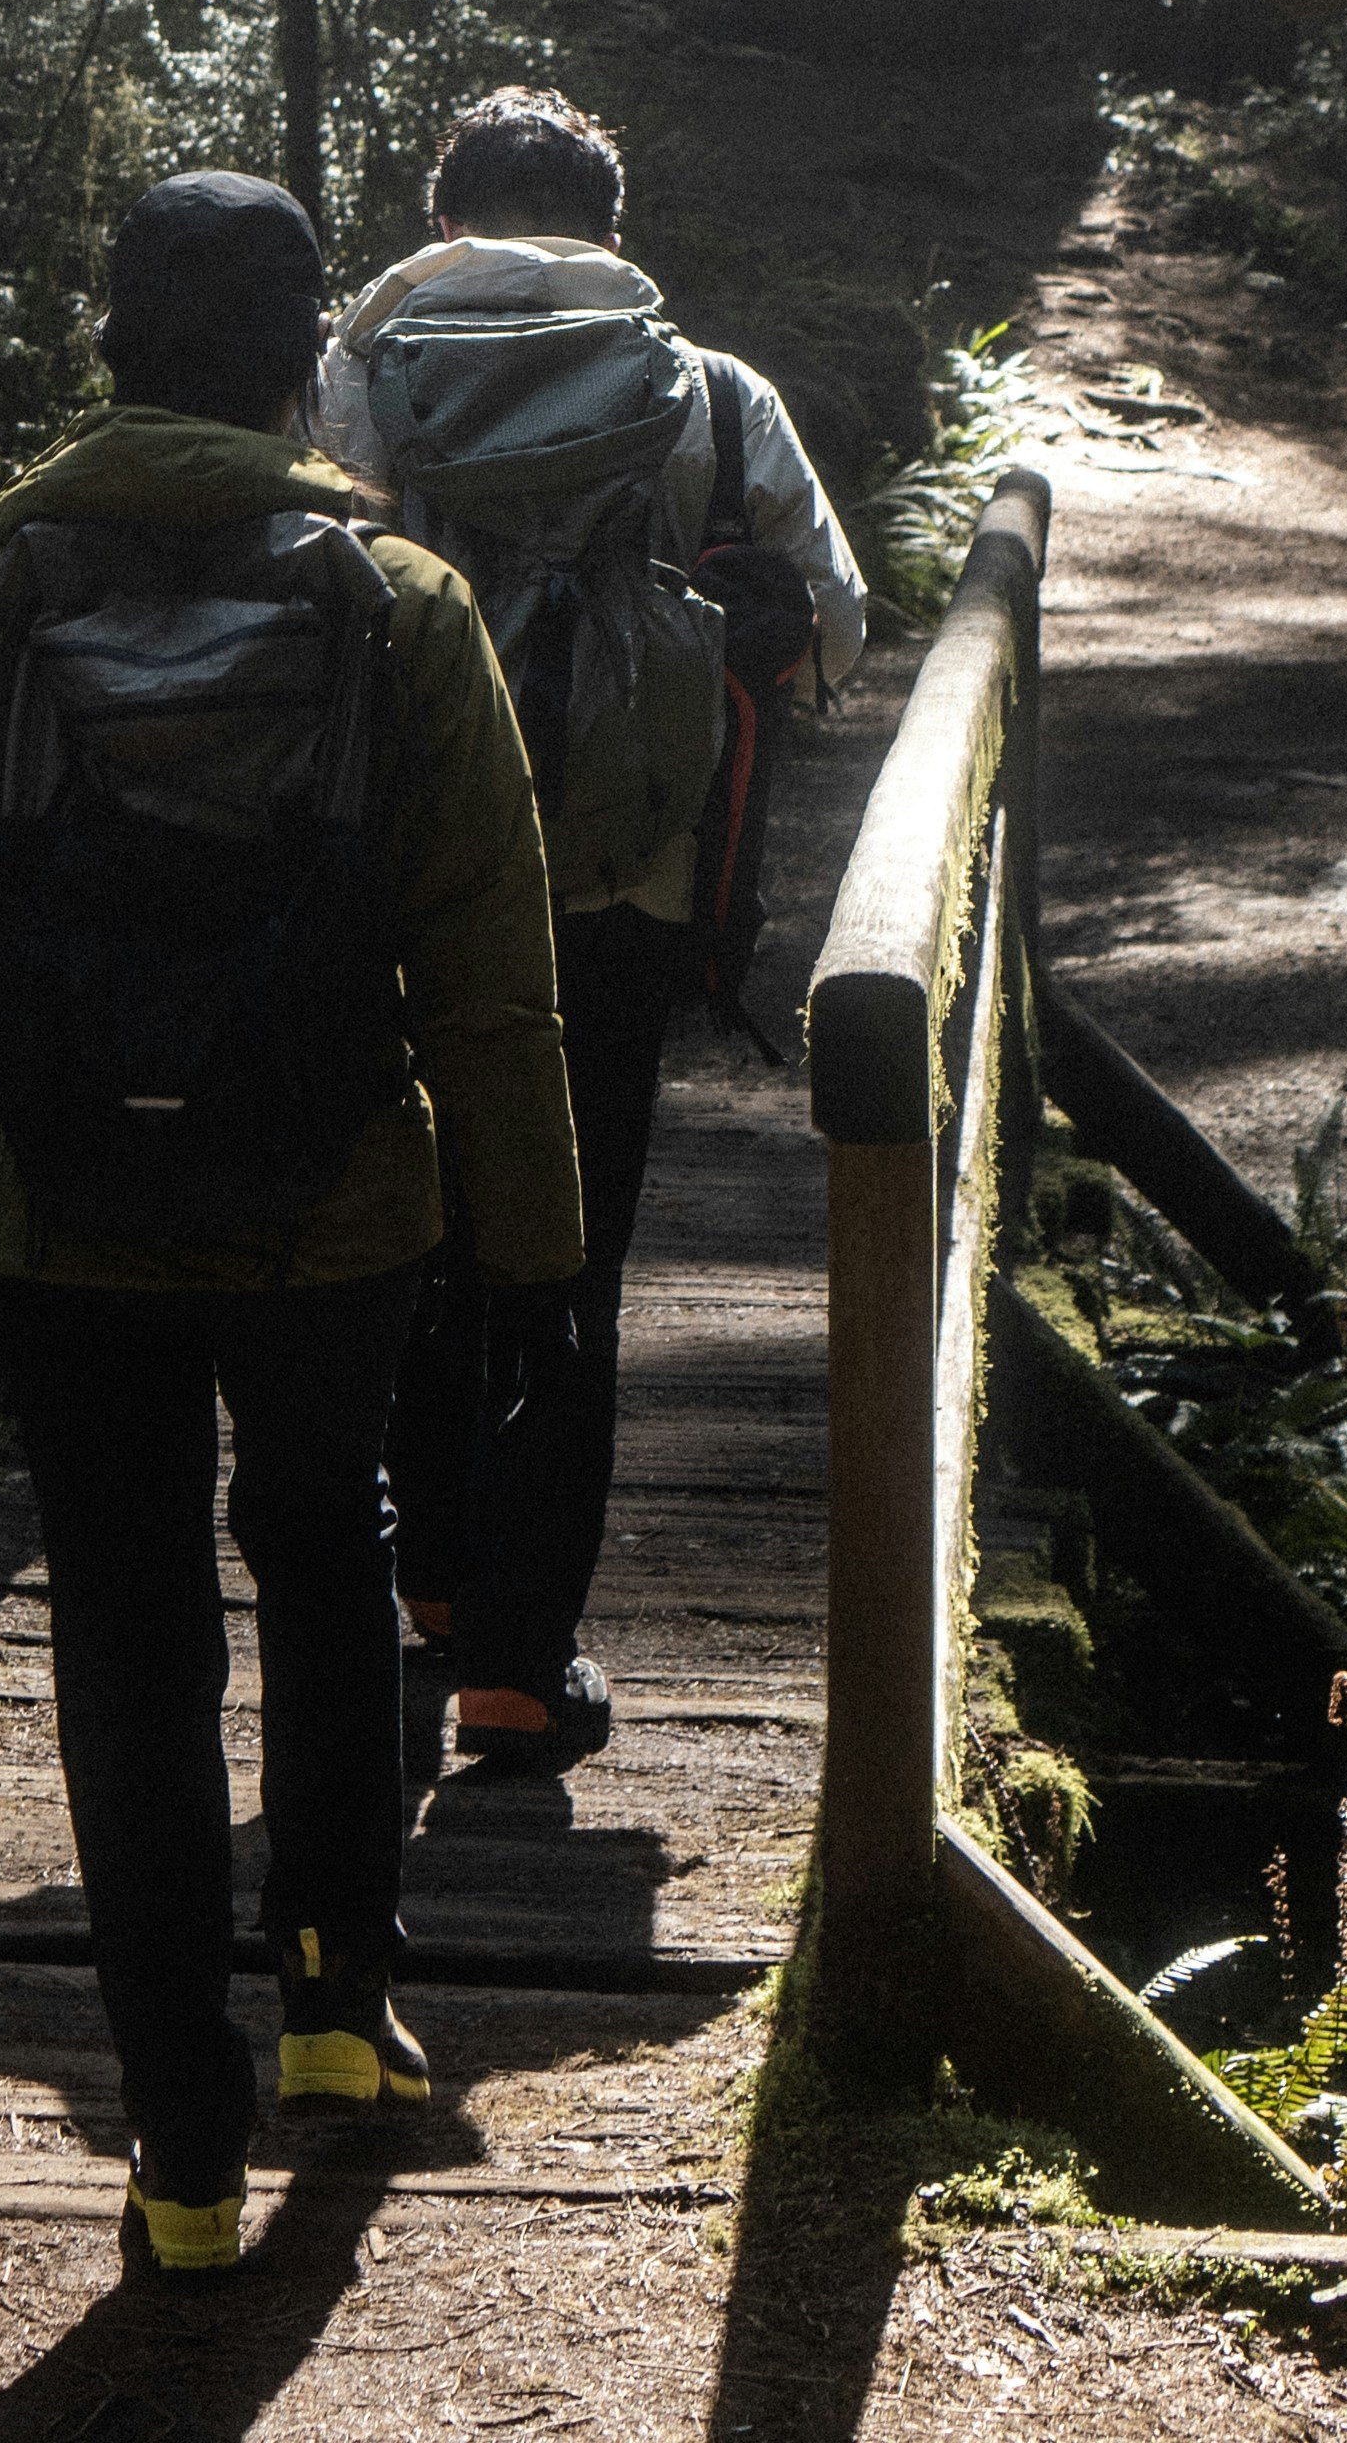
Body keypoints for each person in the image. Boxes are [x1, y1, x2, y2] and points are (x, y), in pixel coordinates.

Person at [0, 168, 585, 2279]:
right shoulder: (397, 603)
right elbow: (490, 969)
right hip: (331, 1193)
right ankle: (342, 2014)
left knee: (123, 1623)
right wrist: (529, 1250)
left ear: (111, 348)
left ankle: (178, 2135)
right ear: (301, 363)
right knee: (327, 1543)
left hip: (71, 1199)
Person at [312, 85, 869, 1772]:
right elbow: (832, 626)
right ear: (610, 233)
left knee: (404, 1213)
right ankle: (518, 1658)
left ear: (443, 218)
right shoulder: (704, 387)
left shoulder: (357, 370)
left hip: (401, 876)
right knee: (571, 1250)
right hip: (622, 889)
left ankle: (419, 1579)